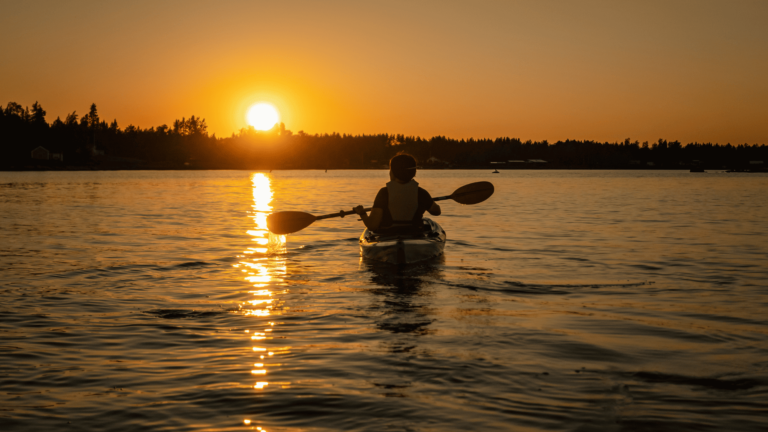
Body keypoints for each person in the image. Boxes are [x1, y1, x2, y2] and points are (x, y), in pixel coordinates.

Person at [354, 152, 441, 233]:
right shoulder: (421, 193)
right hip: (414, 234)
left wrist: (362, 213)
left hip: (388, 235)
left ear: (393, 172)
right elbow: (437, 212)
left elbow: (372, 226)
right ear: (413, 173)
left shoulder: (384, 193)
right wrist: (428, 202)